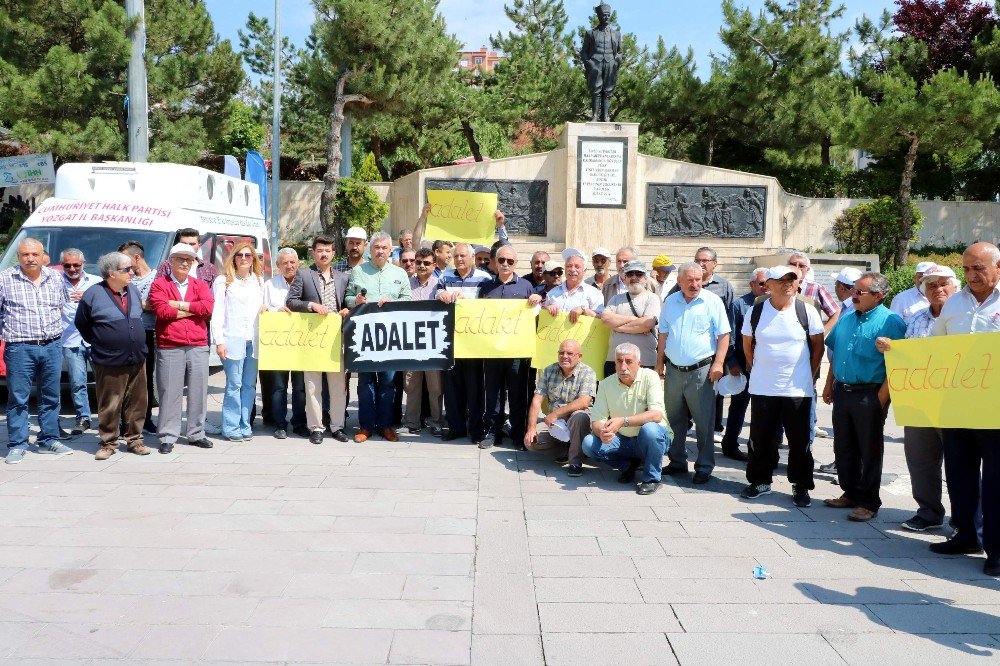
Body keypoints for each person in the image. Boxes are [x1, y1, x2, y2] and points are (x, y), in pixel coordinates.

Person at [928, 242, 1000, 576]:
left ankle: (997, 550)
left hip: (995, 409)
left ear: (997, 267)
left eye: (979, 268)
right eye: (967, 269)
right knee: (959, 473)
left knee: (996, 480)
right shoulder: (954, 303)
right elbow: (934, 347)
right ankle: (966, 535)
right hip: (957, 404)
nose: (971, 275)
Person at [874, 265, 960, 531]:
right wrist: (891, 349)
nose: (938, 289)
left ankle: (963, 519)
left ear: (955, 286)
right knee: (921, 460)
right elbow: (908, 356)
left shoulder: (966, 316)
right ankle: (929, 512)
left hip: (959, 404)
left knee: (960, 464)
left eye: (944, 283)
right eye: (931, 285)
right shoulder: (918, 318)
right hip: (921, 403)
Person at [821, 272, 906, 521]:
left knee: (869, 450)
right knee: (844, 445)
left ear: (878, 296)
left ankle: (869, 501)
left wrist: (881, 398)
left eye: (860, 292)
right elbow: (835, 352)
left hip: (870, 393)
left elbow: (898, 363)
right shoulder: (847, 318)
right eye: (853, 291)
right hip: (843, 391)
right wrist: (829, 384)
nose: (853, 296)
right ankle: (851, 492)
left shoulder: (891, 321)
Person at [740, 266, 825, 506]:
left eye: (792, 279)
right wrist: (758, 367)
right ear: (769, 285)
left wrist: (808, 373)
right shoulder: (756, 312)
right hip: (763, 387)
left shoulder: (807, 311)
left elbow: (818, 346)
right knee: (761, 438)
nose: (788, 284)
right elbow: (748, 345)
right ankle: (760, 482)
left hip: (798, 389)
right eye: (781, 280)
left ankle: (800, 485)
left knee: (799, 440)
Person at [0, 238, 75, 464]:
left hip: (51, 346)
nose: (30, 259)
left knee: (51, 396)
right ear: (18, 257)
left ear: (43, 256)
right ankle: (17, 444)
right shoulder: (5, 279)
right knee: (18, 398)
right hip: (20, 347)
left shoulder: (55, 278)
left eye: (34, 254)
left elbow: (60, 307)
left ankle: (48, 439)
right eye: (25, 255)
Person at [657, 262, 731, 484]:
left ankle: (704, 466)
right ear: (679, 281)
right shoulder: (670, 302)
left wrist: (719, 363)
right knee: (674, 420)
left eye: (698, 279)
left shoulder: (712, 301)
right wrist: (659, 362)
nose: (694, 284)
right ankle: (677, 462)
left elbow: (724, 335)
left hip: (702, 372)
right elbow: (663, 334)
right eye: (689, 280)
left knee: (704, 422)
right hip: (673, 371)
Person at [74, 251, 151, 459]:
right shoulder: (93, 294)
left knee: (138, 401)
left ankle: (135, 440)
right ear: (111, 273)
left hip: (137, 357)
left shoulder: (133, 290)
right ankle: (108, 442)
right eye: (126, 269)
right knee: (110, 402)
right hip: (109, 359)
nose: (132, 272)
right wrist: (102, 341)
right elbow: (82, 323)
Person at [149, 243, 216, 454]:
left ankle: (196, 433)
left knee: (199, 390)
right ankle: (168, 435)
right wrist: (194, 310)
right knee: (169, 392)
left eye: (189, 259)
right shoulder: (159, 284)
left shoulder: (200, 284)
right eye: (180, 258)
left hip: (197, 344)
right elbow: (162, 312)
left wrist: (178, 304)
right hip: (170, 345)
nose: (185, 263)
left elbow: (208, 308)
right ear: (171, 261)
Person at [345, 231, 412, 443]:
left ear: (390, 250)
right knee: (365, 382)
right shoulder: (358, 271)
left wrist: (394, 302)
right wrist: (355, 300)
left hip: (391, 337)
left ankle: (385, 425)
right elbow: (347, 298)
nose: (380, 251)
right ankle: (365, 426)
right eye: (377, 247)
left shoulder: (399, 274)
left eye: (384, 248)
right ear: (370, 249)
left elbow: (408, 298)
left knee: (388, 383)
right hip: (365, 337)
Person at [285, 235, 351, 444]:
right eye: (320, 250)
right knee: (313, 385)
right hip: (312, 338)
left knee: (338, 385)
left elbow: (348, 301)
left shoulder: (343, 277)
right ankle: (316, 427)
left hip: (336, 337)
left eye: (328, 250)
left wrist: (347, 309)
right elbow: (292, 301)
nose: (324, 254)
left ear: (334, 254)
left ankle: (337, 426)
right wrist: (311, 306)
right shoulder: (304, 274)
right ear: (313, 253)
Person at [478, 244, 543, 449]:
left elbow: (536, 316)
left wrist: (537, 300)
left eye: (510, 261)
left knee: (517, 395)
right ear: (495, 262)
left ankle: (517, 435)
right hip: (492, 351)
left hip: (517, 352)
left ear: (516, 263)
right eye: (501, 260)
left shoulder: (525, 287)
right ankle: (492, 432)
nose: (505, 264)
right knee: (493, 393)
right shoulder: (486, 287)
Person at [583, 343, 670, 494]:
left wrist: (623, 421)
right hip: (624, 439)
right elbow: (597, 420)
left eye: (629, 361)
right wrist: (602, 432)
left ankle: (652, 478)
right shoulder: (605, 384)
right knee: (588, 443)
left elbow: (656, 415)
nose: (623, 367)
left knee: (650, 430)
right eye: (619, 361)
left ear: (639, 363)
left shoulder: (650, 376)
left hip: (650, 437)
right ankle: (628, 466)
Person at [436, 242, 493, 443]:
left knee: (475, 388)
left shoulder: (484, 278)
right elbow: (436, 294)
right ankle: (455, 428)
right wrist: (440, 294)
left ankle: (476, 430)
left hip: (474, 343)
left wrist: (465, 299)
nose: (459, 259)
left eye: (463, 256)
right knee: (452, 388)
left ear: (472, 257)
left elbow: (490, 306)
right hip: (451, 343)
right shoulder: (445, 276)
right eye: (456, 256)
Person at [211, 241, 265, 442]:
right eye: (240, 255)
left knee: (249, 385)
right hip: (233, 338)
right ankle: (231, 426)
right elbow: (218, 313)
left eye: (248, 255)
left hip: (254, 340)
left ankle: (245, 424)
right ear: (233, 258)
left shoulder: (259, 281)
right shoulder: (223, 281)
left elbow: (262, 307)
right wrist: (219, 341)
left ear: (253, 260)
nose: (243, 258)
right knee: (234, 384)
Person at [525, 339, 597, 476]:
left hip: (578, 421)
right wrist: (531, 428)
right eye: (561, 352)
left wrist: (556, 413)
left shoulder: (588, 372)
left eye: (570, 353)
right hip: (556, 424)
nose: (564, 356)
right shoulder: (548, 370)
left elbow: (584, 402)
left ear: (579, 356)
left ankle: (575, 462)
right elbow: (537, 400)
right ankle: (566, 450)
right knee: (530, 442)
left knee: (579, 416)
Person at [720, 267, 770, 462]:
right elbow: (730, 336)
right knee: (739, 406)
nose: (766, 287)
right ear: (751, 285)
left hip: (766, 365)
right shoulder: (739, 305)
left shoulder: (774, 304)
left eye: (768, 283)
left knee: (763, 408)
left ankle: (757, 446)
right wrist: (731, 362)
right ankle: (730, 444)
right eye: (761, 283)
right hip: (742, 363)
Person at [263, 248, 308, 439]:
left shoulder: (306, 282)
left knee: (300, 387)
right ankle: (279, 423)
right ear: (278, 266)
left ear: (298, 263)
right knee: (279, 386)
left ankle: (299, 423)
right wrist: (276, 311)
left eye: (292, 262)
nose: (289, 266)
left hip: (301, 344)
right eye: (284, 263)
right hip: (278, 344)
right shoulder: (270, 285)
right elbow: (263, 310)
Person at [403, 247, 445, 437]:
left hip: (433, 344)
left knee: (435, 387)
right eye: (418, 262)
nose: (421, 265)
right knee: (411, 385)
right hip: (410, 343)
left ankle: (436, 421)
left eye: (426, 263)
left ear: (434, 265)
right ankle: (411, 422)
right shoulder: (405, 283)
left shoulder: (440, 284)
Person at [59, 248, 101, 435]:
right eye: (67, 265)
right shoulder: (56, 282)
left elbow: (107, 303)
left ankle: (108, 418)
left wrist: (88, 298)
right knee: (77, 382)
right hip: (70, 339)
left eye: (76, 264)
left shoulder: (96, 281)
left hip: (95, 339)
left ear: (83, 263)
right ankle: (83, 417)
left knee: (105, 381)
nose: (72, 268)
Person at [119, 241, 159, 434]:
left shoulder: (157, 277)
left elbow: (159, 305)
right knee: (124, 378)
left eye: (125, 258)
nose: (122, 264)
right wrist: (143, 303)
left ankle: (146, 419)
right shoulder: (124, 278)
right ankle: (124, 420)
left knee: (145, 378)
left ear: (137, 257)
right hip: (126, 332)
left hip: (149, 332)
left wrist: (136, 302)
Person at [599, 260, 660, 378]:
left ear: (645, 278)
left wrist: (617, 326)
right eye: (630, 274)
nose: (634, 277)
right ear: (625, 278)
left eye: (639, 274)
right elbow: (605, 319)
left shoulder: (652, 298)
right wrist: (634, 320)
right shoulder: (616, 299)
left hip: (643, 361)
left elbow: (647, 324)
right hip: (614, 361)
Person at [580, 2, 622, 122]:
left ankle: (605, 116)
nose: (607, 17)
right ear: (599, 16)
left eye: (608, 15)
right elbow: (584, 51)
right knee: (596, 89)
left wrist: (616, 61)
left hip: (610, 63)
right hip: (595, 63)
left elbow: (619, 51)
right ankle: (594, 116)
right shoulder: (590, 33)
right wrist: (588, 62)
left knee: (608, 90)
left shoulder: (616, 34)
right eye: (604, 15)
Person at [545, 251, 604, 322]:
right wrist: (547, 309)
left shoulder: (594, 293)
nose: (572, 270)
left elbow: (601, 318)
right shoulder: (552, 293)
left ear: (584, 271)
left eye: (577, 267)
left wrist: (584, 309)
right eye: (569, 266)